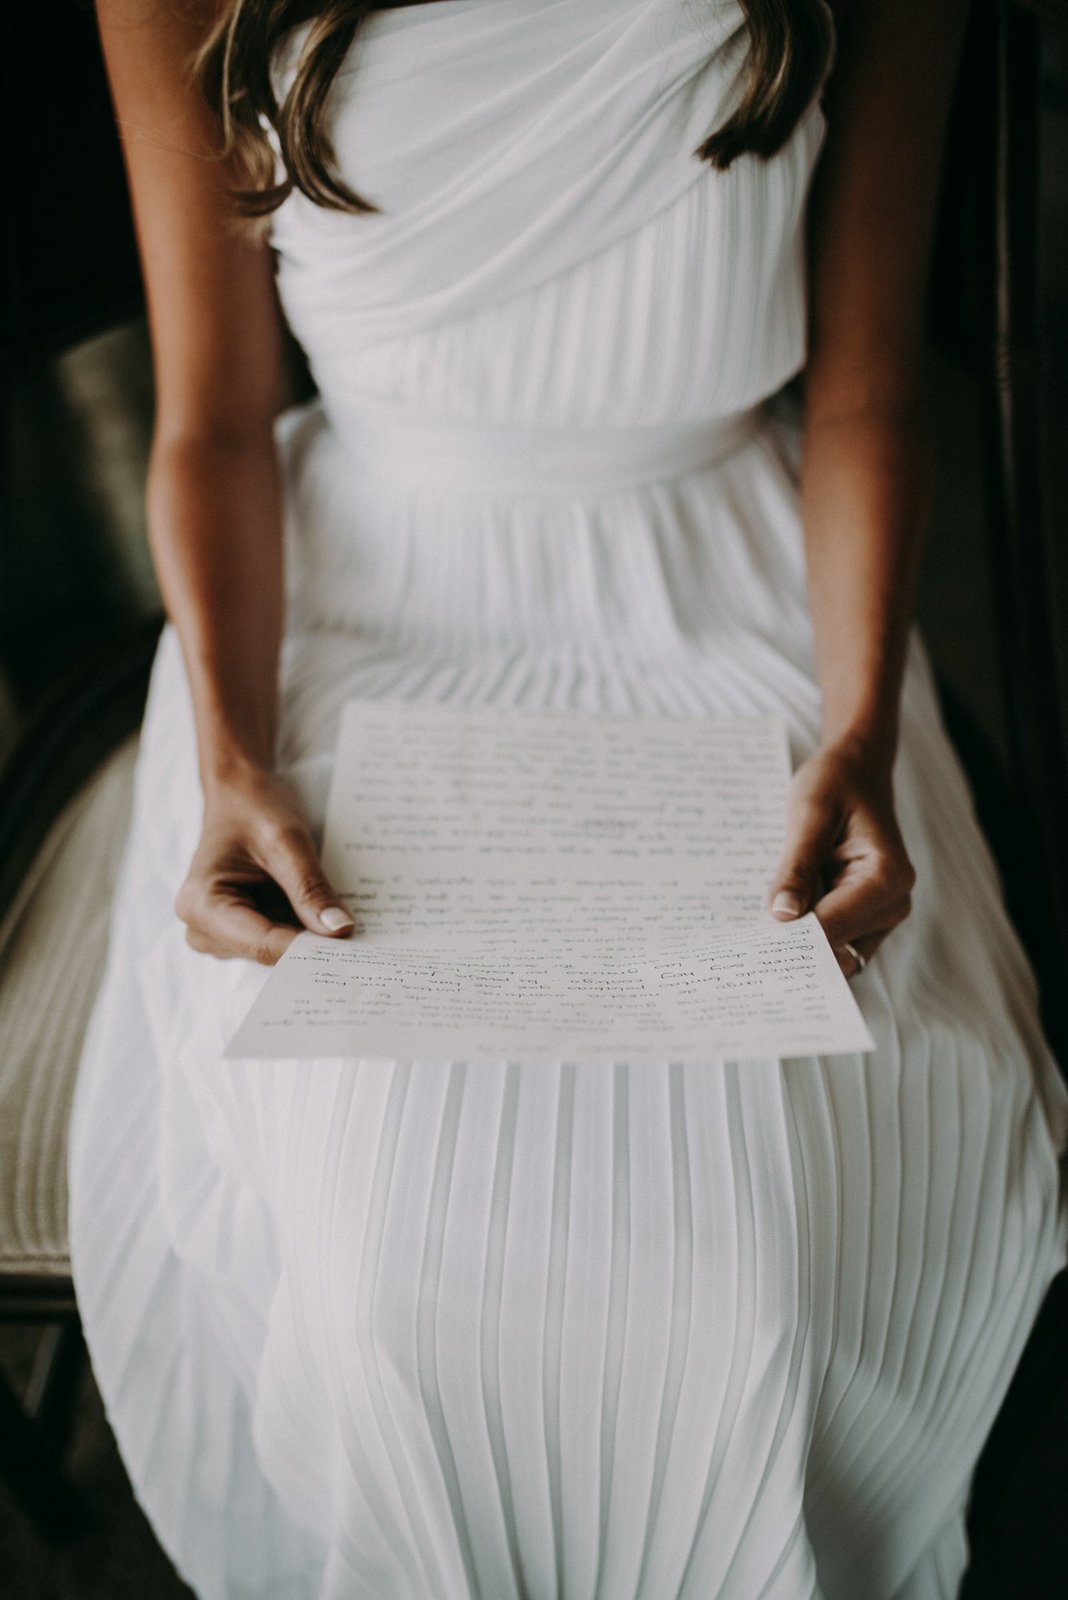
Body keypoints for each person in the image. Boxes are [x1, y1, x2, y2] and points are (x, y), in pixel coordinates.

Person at [70, 1, 1067, 1596]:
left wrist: (863, 729)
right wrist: (234, 755)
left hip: (738, 580)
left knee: (770, 1257)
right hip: (367, 595)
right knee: (385, 1258)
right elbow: (213, 421)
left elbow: (867, 395)